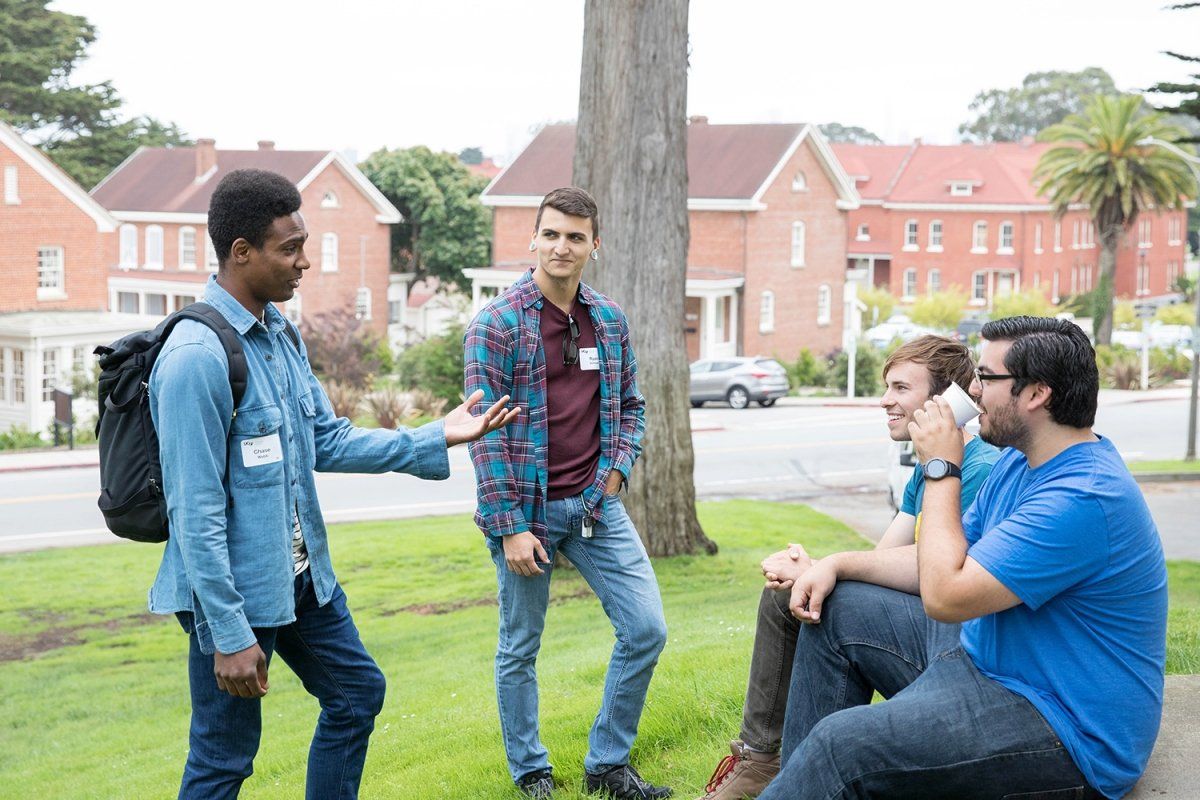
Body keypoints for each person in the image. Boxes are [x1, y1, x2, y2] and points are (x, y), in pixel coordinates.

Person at [147, 168, 518, 800]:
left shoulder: (279, 334)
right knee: (223, 758)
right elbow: (194, 511)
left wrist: (435, 437)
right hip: (233, 591)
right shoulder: (197, 358)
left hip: (300, 578)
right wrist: (231, 635)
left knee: (355, 693)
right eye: (289, 248)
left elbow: (326, 438)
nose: (305, 262)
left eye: (303, 244)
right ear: (241, 253)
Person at [759, 316, 1168, 800]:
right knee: (837, 607)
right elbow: (941, 559)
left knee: (842, 745)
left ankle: (816, 777)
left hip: (1065, 728)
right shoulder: (1022, 460)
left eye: (988, 378)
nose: (972, 388)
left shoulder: (1083, 497)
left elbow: (945, 596)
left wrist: (941, 467)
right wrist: (835, 565)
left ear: (1036, 394)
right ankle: (803, 784)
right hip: (993, 663)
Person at [698, 336, 999, 800]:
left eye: (900, 388)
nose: (885, 400)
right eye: (887, 388)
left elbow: (944, 573)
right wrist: (815, 568)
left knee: (830, 603)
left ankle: (801, 780)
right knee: (788, 595)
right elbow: (885, 557)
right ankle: (761, 761)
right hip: (920, 620)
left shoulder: (976, 467)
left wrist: (833, 568)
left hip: (955, 651)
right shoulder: (927, 467)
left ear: (946, 402)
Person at [464, 187, 671, 799]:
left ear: (594, 246)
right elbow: (485, 438)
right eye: (551, 234)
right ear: (533, 239)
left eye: (575, 237)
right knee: (520, 647)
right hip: (524, 514)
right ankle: (531, 772)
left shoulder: (607, 320)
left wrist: (613, 475)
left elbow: (630, 405)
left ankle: (608, 764)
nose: (562, 246)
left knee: (646, 629)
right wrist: (509, 528)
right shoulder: (495, 325)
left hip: (594, 505)